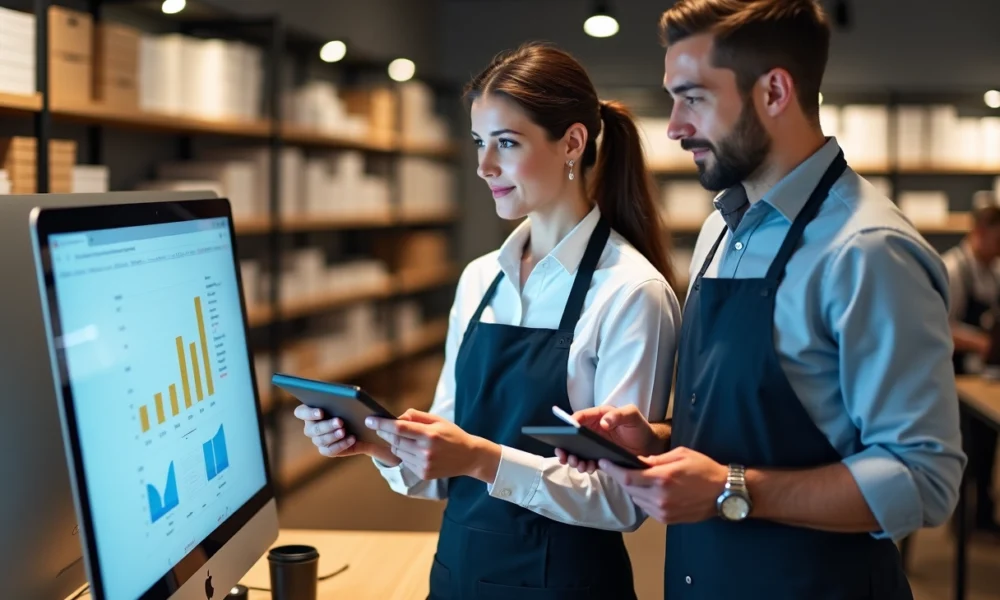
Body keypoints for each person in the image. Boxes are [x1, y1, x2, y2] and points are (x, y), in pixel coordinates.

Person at [560, 1, 967, 598]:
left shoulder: (867, 251)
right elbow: (762, 431)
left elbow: (923, 480)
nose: (674, 126)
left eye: (693, 97)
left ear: (774, 91)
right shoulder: (720, 231)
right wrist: (660, 442)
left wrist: (732, 487)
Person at [294, 42, 682, 599]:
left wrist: (481, 457)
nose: (484, 166)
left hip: (564, 584)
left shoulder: (630, 292)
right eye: (480, 142)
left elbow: (622, 501)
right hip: (459, 573)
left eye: (506, 143)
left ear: (572, 142)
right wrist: (377, 443)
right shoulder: (480, 279)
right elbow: (445, 460)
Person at [943, 204, 1000, 536]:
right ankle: (960, 516)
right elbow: (939, 325)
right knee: (965, 448)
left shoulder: (992, 272)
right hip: (955, 374)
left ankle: (983, 513)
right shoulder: (953, 269)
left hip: (984, 375)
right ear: (980, 232)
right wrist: (981, 343)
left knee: (987, 447)